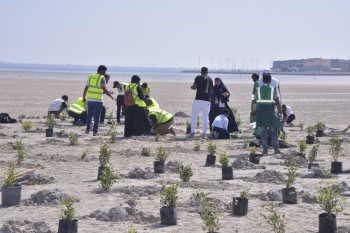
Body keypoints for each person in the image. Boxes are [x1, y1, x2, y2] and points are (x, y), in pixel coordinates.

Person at [253, 73, 283, 155]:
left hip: (261, 112)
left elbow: (254, 101)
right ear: (270, 81)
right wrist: (281, 113)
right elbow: (277, 102)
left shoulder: (258, 90)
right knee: (274, 132)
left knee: (263, 132)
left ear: (262, 80)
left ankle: (265, 150)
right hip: (271, 112)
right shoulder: (273, 89)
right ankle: (276, 150)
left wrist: (255, 110)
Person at [82, 65, 115, 136]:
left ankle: (87, 129)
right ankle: (95, 131)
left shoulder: (90, 76)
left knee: (89, 115)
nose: (105, 73)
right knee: (97, 116)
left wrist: (84, 97)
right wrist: (111, 96)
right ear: (101, 70)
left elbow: (86, 88)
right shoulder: (102, 77)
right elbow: (104, 88)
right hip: (98, 100)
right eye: (104, 71)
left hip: (90, 99)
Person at [189, 67, 213, 139]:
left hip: (198, 99)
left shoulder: (198, 77)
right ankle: (203, 133)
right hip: (207, 100)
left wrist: (191, 87)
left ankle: (192, 132)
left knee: (194, 116)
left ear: (201, 71)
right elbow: (211, 90)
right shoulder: (211, 79)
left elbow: (194, 87)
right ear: (207, 72)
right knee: (205, 117)